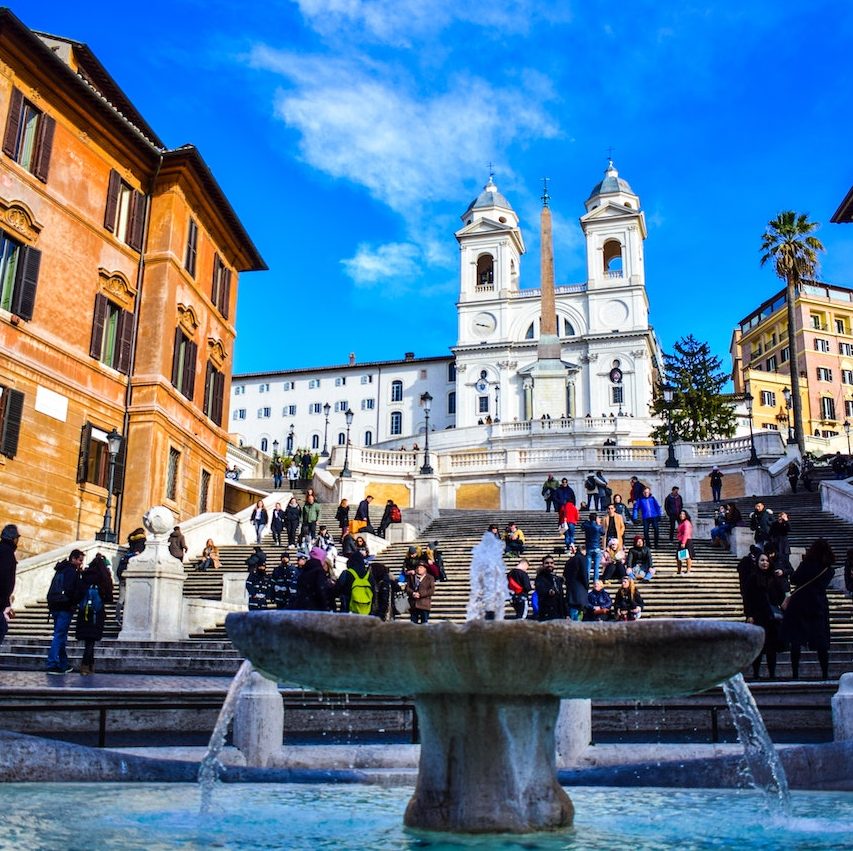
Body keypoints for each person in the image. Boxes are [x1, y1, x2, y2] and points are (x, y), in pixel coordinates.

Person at [784, 538, 835, 680]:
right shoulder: (829, 570)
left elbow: (794, 579)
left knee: (796, 639)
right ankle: (825, 673)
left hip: (799, 603)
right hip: (818, 604)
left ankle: (795, 673)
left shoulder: (806, 564)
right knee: (821, 641)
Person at [743, 552, 788, 679]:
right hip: (758, 615)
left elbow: (781, 597)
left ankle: (772, 673)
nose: (765, 563)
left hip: (772, 617)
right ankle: (756, 673)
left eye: (767, 561)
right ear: (757, 562)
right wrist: (749, 615)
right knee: (758, 647)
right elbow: (747, 598)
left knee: (771, 647)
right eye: (762, 560)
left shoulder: (774, 578)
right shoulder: (752, 578)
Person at [46, 548, 84, 674]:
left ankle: (63, 663)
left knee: (60, 634)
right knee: (59, 635)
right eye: (79, 560)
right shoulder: (72, 572)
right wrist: (73, 603)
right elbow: (73, 591)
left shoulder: (60, 569)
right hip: (65, 607)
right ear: (73, 558)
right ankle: (52, 663)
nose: (81, 563)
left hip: (55, 605)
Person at [75, 552, 114, 675]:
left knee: (88, 640)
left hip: (85, 611)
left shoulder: (85, 575)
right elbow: (109, 596)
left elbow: (78, 592)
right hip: (97, 612)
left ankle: (90, 664)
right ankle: (86, 665)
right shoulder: (104, 577)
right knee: (91, 640)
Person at [0, 524, 19, 648]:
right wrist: (6, 602)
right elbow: (4, 579)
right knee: (2, 628)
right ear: (13, 538)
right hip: (0, 600)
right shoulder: (7, 553)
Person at [534, 555, 566, 621]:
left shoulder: (556, 579)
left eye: (551, 563)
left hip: (559, 613)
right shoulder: (540, 578)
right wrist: (549, 592)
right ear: (543, 565)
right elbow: (541, 590)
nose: (549, 565)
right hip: (546, 612)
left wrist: (567, 613)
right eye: (547, 563)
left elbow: (562, 597)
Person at [562, 545, 588, 621]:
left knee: (572, 613)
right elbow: (584, 574)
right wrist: (586, 586)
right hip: (580, 592)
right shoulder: (582, 559)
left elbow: (564, 575)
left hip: (570, 591)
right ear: (583, 550)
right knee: (578, 617)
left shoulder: (569, 560)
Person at [581, 513, 605, 583]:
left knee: (588, 566)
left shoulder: (587, 526)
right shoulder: (598, 527)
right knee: (596, 567)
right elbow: (603, 532)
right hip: (597, 547)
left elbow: (582, 526)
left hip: (589, 547)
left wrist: (587, 521)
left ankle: (586, 580)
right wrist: (599, 523)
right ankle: (596, 581)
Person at [675, 509, 694, 575]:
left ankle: (688, 571)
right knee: (679, 557)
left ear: (686, 515)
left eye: (683, 514)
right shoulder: (681, 522)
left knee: (687, 556)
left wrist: (683, 542)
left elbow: (686, 532)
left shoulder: (686, 522)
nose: (681, 515)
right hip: (682, 540)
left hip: (686, 541)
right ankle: (679, 571)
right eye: (680, 514)